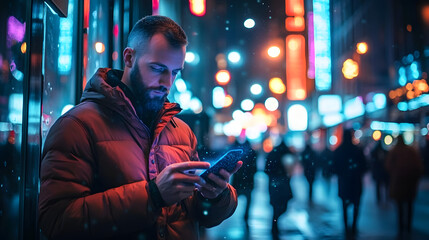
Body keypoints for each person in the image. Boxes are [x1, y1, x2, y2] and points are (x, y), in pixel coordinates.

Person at [38, 15, 242, 240]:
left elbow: (198, 217)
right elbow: (56, 222)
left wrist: (215, 195)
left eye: (175, 72)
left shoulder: (181, 131)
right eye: (158, 68)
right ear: (129, 57)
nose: (167, 82)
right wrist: (152, 196)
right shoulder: (77, 126)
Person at [385, 135, 424, 237]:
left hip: (398, 183)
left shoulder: (394, 151)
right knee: (410, 205)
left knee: (399, 206)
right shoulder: (411, 151)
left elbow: (388, 166)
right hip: (410, 183)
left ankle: (401, 228)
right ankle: (408, 227)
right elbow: (419, 166)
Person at [333, 129, 367, 238]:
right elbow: (365, 166)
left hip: (344, 183)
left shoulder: (339, 150)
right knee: (356, 205)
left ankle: (346, 227)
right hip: (356, 183)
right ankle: (353, 226)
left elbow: (333, 168)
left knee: (344, 206)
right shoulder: (357, 150)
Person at [264, 140, 294, 239]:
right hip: (282, 184)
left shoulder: (273, 153)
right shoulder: (286, 153)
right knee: (282, 206)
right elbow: (290, 168)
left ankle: (274, 225)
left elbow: (266, 169)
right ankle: (275, 226)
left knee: (275, 206)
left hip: (273, 184)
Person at [230, 138, 257, 230]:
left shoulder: (235, 151)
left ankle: (228, 213)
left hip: (240, 181)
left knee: (233, 198)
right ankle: (245, 217)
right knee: (247, 201)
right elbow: (255, 168)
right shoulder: (251, 151)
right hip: (248, 181)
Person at [370, 140, 389, 205]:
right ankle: (386, 198)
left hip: (379, 172)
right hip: (384, 171)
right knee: (385, 186)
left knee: (378, 186)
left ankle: (379, 199)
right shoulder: (385, 152)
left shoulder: (374, 152)